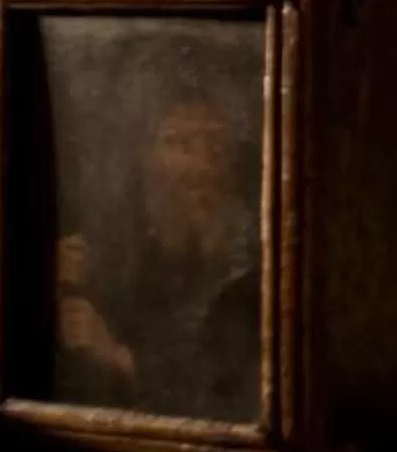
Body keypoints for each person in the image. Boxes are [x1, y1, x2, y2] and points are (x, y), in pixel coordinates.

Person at [56, 88, 261, 424]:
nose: (202, 164)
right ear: (145, 155)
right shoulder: (112, 239)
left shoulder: (250, 249)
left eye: (215, 145)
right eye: (181, 144)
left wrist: (119, 357)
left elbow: (229, 384)